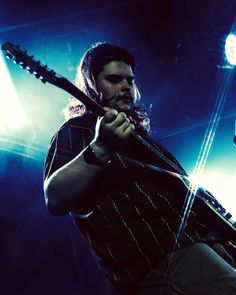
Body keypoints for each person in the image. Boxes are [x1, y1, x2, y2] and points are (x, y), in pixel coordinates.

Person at [43, 42, 236, 295]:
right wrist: (100, 147)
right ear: (92, 85)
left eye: (129, 81)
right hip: (162, 257)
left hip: (206, 244)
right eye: (114, 79)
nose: (125, 87)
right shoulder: (78, 130)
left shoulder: (144, 142)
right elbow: (55, 197)